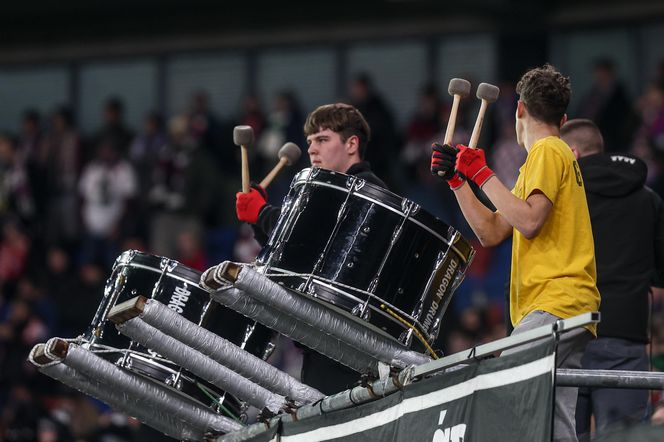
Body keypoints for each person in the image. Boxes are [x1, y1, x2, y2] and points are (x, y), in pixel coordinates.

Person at [431, 64, 600, 442]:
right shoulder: (545, 160)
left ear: (519, 110)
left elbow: (529, 221)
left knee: (508, 389)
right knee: (554, 423)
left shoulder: (547, 151)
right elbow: (491, 231)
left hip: (555, 303)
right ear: (564, 117)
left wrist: (483, 173)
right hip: (565, 306)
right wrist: (460, 182)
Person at [235, 102, 385, 395]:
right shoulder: (325, 190)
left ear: (351, 144)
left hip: (355, 344)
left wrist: (263, 214)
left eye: (323, 139)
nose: (312, 150)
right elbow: (292, 256)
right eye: (310, 142)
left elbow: (318, 236)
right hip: (323, 341)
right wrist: (259, 221)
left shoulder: (369, 189)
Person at [560, 118, 664, 438]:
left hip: (570, 333)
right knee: (623, 438)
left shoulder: (560, 200)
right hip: (626, 336)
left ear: (573, 154)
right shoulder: (649, 199)